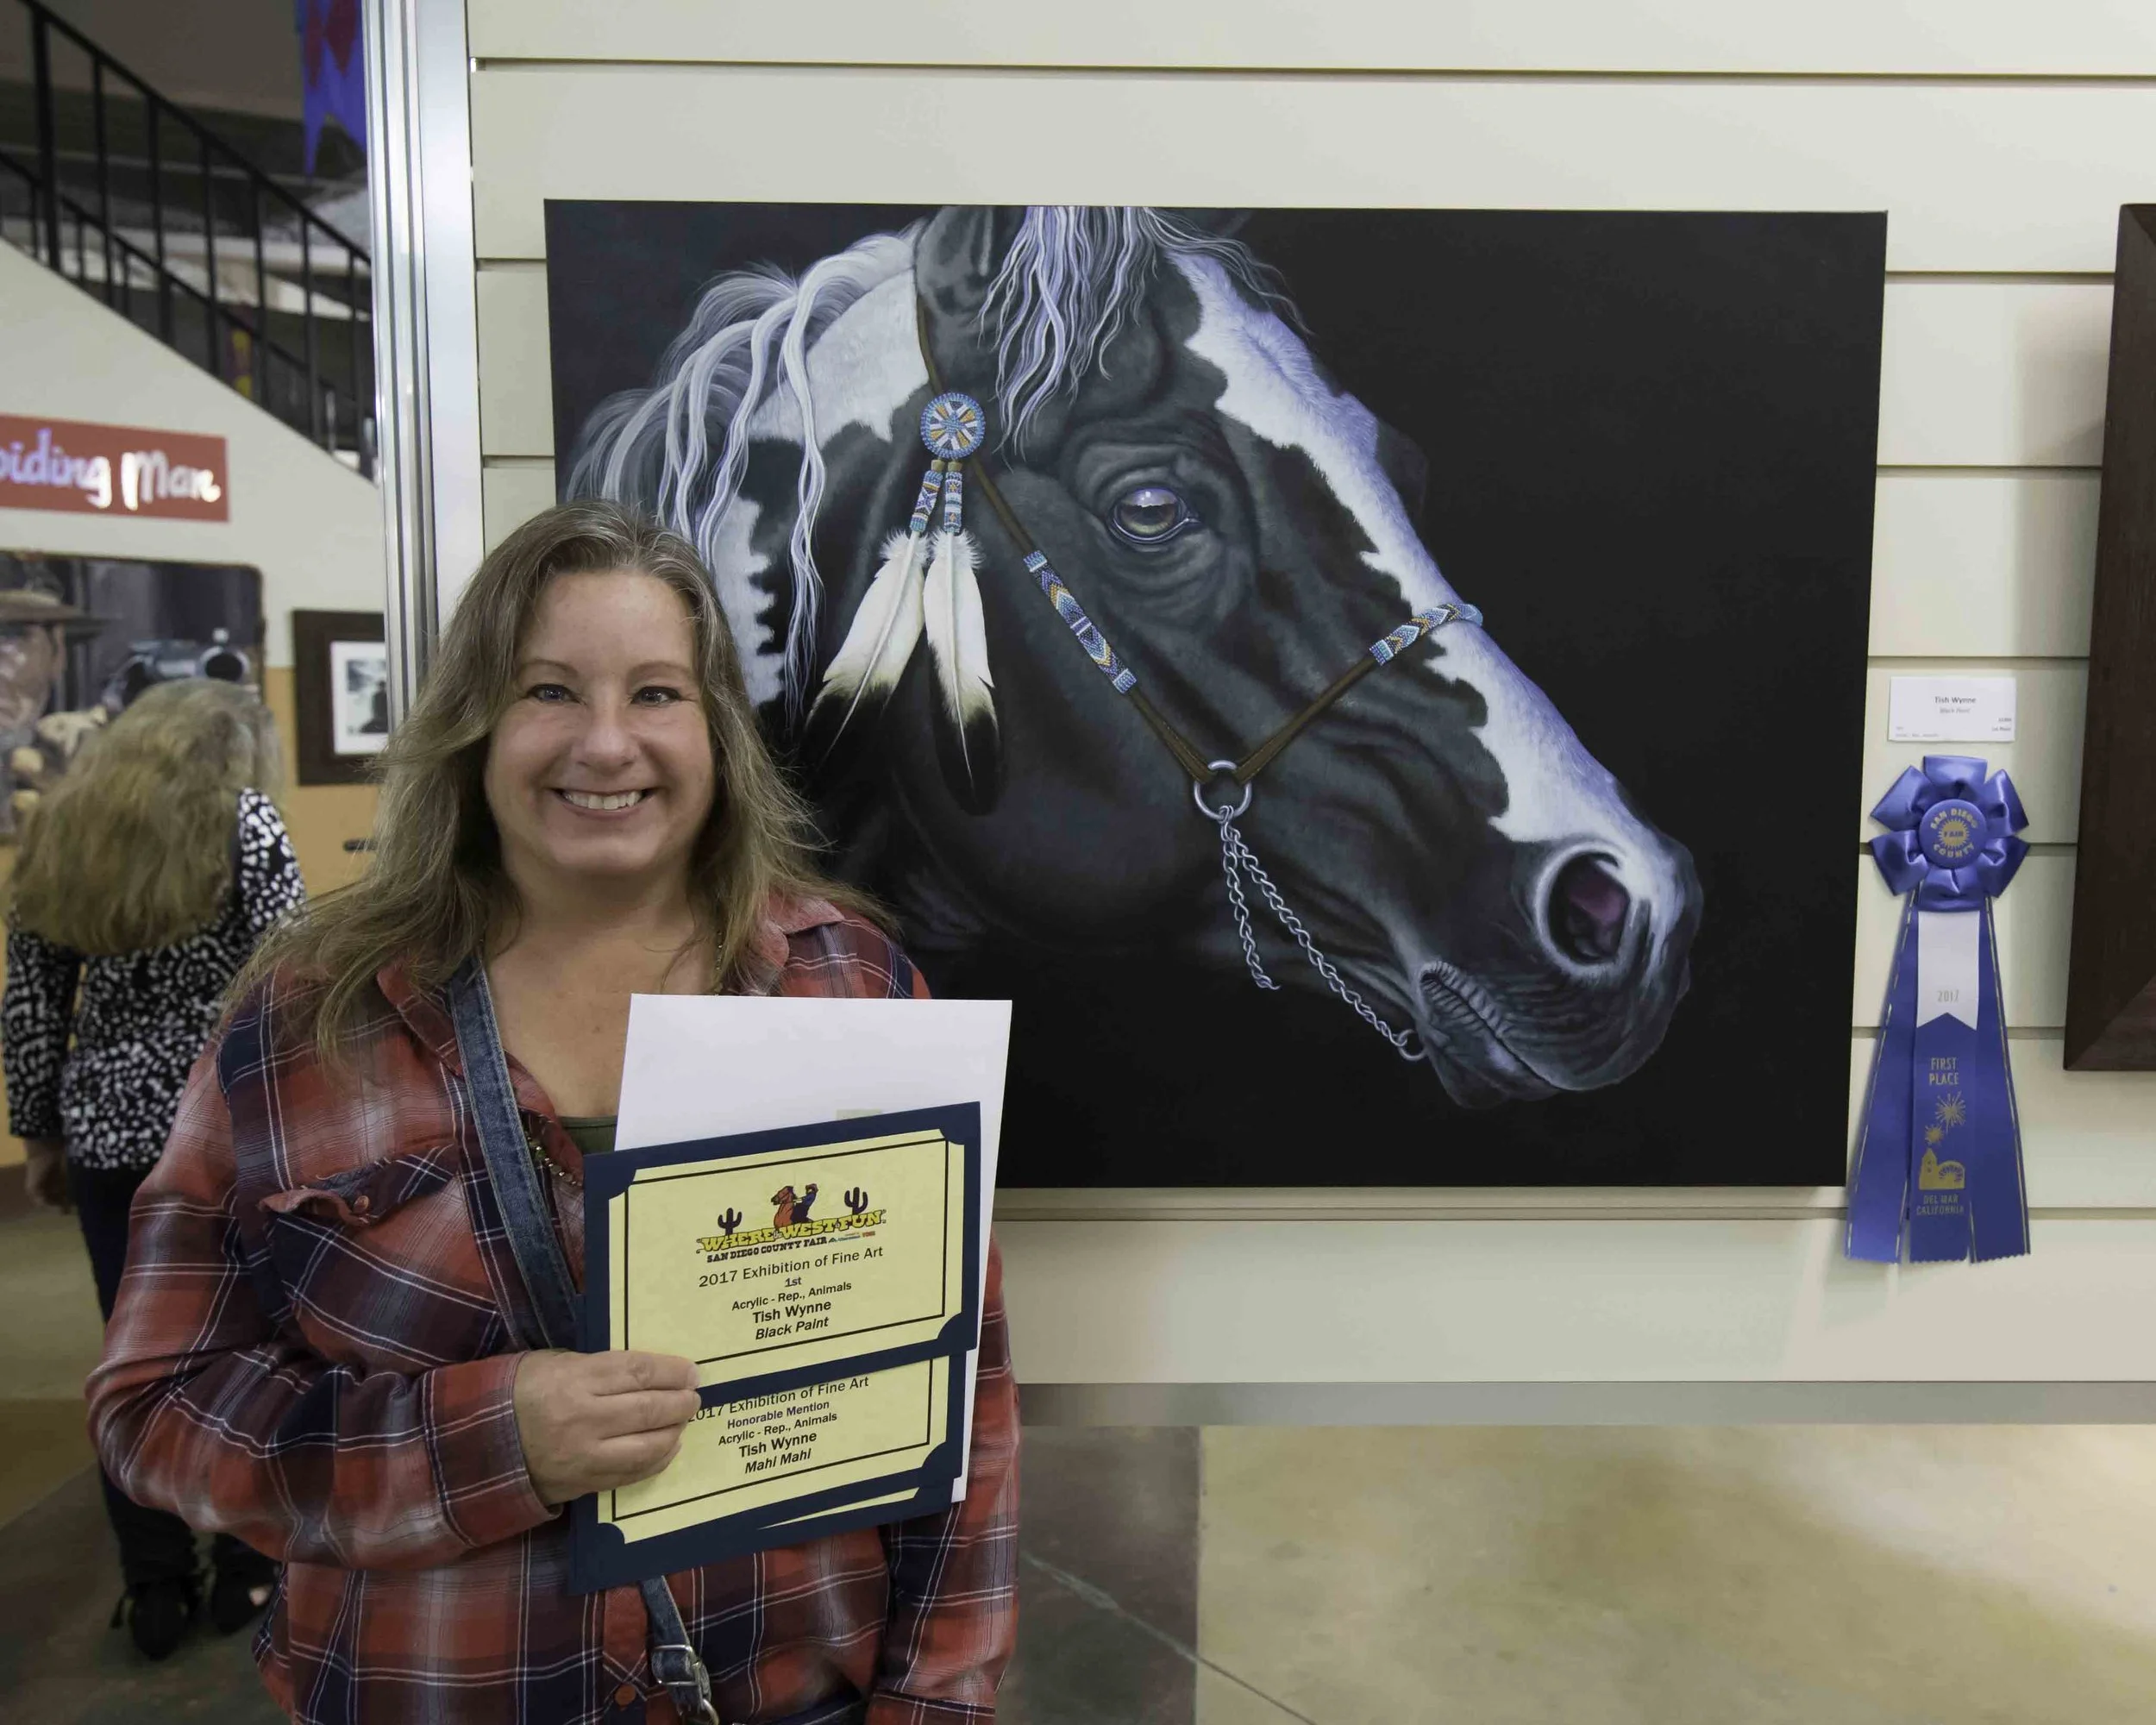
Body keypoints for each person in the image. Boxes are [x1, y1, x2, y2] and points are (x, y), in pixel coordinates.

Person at [87, 502, 1019, 1723]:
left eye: (656, 694)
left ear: (718, 728)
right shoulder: (304, 1025)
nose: (606, 743)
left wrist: (936, 1703)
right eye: (547, 692)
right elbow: (155, 1405)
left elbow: (968, 1394)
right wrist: (484, 1444)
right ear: (472, 727)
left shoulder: (851, 983)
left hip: (796, 1692)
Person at [3, 675, 301, 1657]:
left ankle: (154, 1581)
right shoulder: (245, 820)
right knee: (244, 1346)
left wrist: (40, 1132)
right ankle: (249, 1563)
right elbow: (287, 974)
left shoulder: (65, 825)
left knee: (131, 1356)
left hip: (104, 1136)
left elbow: (34, 998)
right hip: (223, 1128)